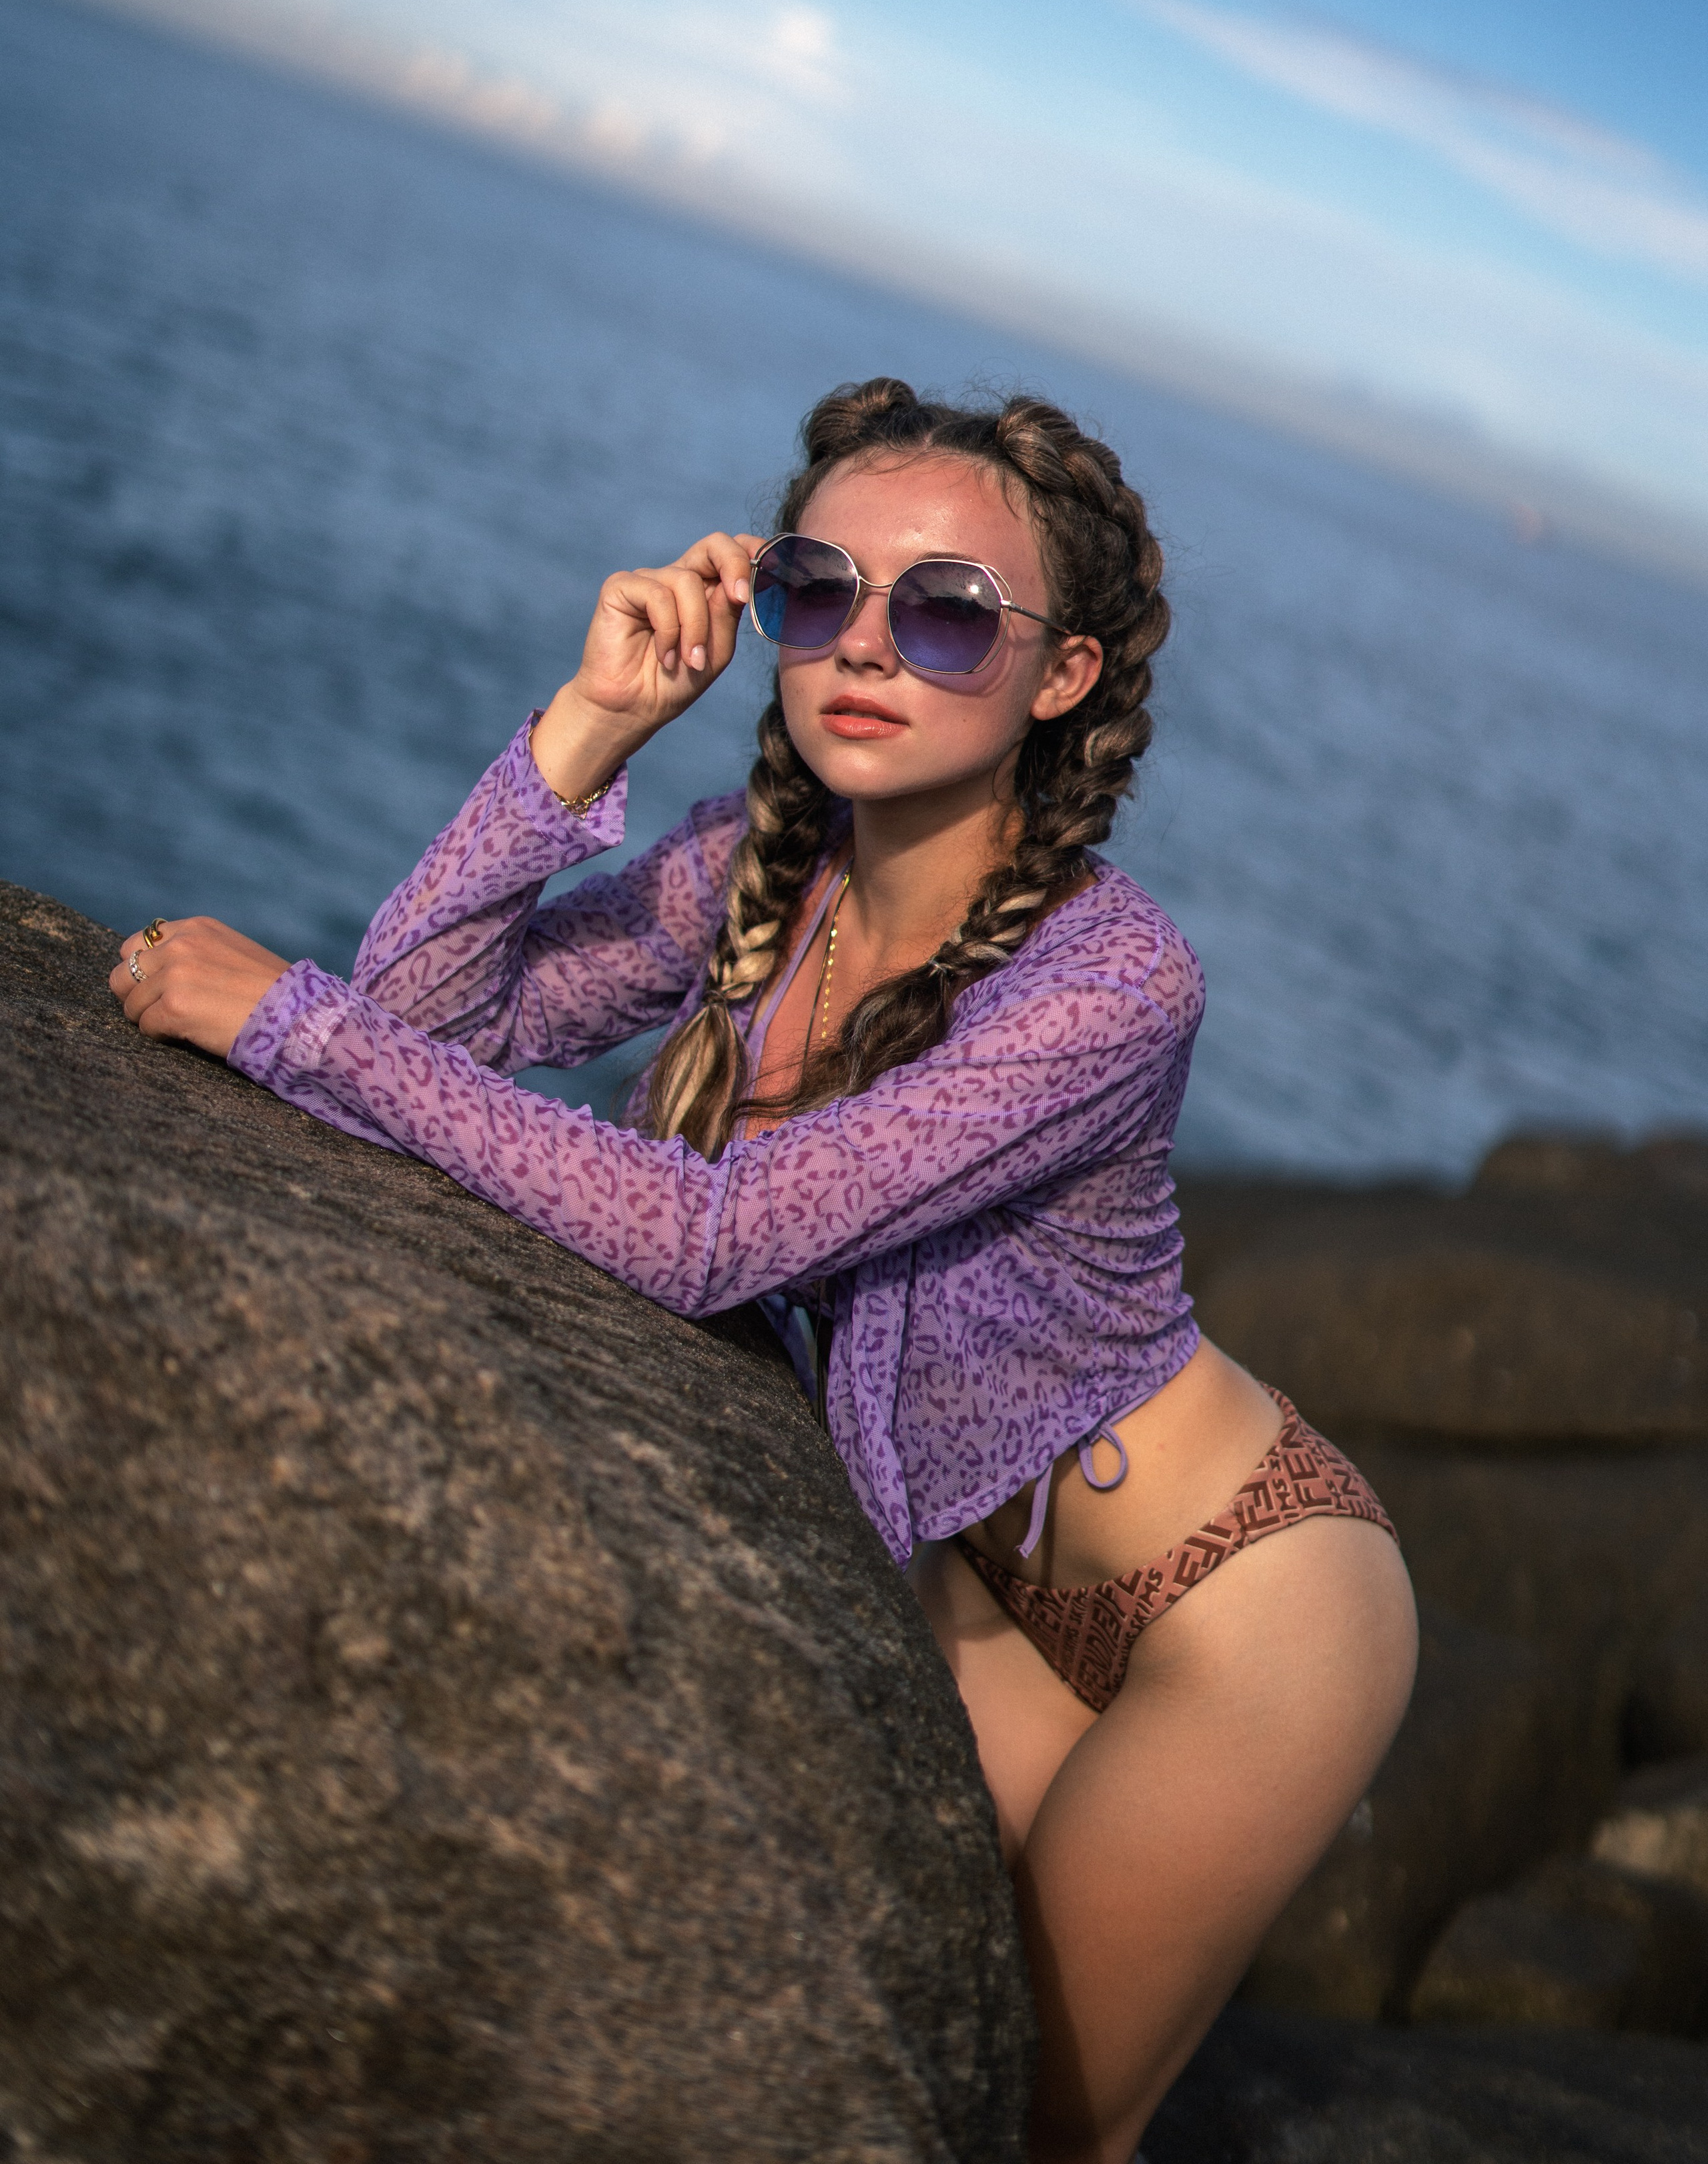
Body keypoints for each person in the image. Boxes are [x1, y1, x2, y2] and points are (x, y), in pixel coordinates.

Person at [111, 378, 1417, 2163]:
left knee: (1045, 2127)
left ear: (1063, 677)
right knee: (907, 2067)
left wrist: (287, 1027)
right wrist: (590, 720)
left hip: (1239, 1602)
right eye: (818, 590)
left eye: (947, 611)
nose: (866, 646)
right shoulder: (752, 868)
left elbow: (705, 1231)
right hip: (961, 1593)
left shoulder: (1115, 987)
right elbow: (434, 1016)